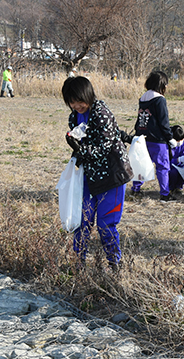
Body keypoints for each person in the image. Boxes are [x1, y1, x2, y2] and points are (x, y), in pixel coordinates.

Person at [62, 76, 133, 270]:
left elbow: (104, 147)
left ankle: (115, 264)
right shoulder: (74, 116)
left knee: (105, 224)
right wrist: (76, 146)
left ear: (88, 95)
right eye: (72, 102)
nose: (76, 105)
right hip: (90, 176)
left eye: (79, 100)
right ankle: (78, 264)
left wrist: (80, 149)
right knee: (81, 220)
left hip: (112, 176)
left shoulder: (101, 112)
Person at [131, 71, 178, 202]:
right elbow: (164, 121)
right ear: (162, 85)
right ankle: (164, 194)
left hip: (142, 138)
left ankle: (135, 189)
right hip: (158, 140)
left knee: (141, 165)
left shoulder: (143, 98)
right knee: (163, 167)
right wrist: (169, 137)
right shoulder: (160, 99)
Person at [169, 125, 184, 194]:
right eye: (178, 140)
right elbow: (165, 161)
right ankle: (171, 188)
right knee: (174, 172)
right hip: (170, 167)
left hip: (181, 166)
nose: (180, 142)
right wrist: (177, 160)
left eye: (182, 140)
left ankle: (179, 187)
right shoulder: (167, 145)